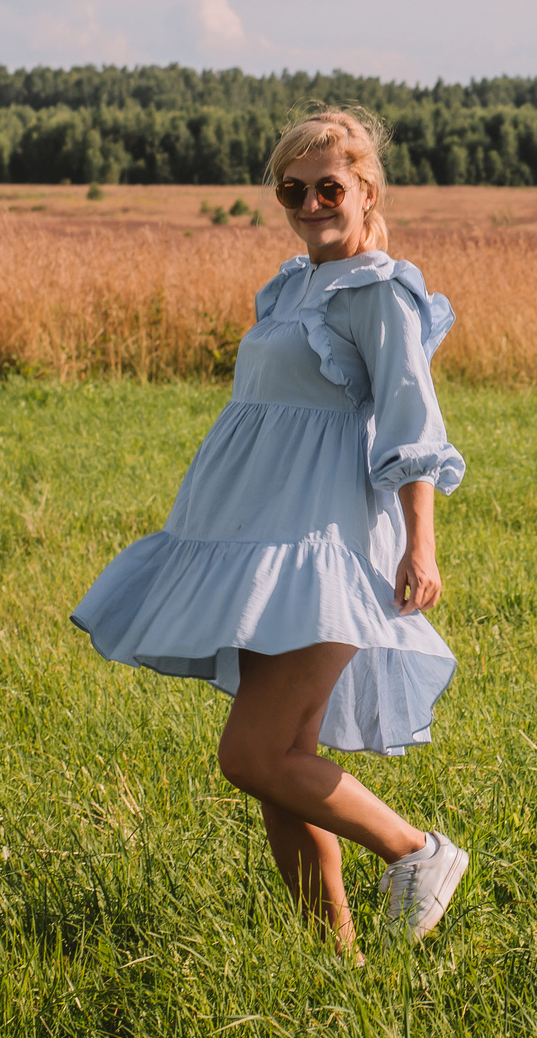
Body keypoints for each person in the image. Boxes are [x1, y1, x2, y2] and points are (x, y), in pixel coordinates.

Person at [71, 108, 469, 953]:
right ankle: (336, 961)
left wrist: (418, 545)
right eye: (293, 189)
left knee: (251, 754)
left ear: (366, 190)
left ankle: (417, 851)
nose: (312, 202)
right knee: (279, 770)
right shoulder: (293, 284)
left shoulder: (378, 290)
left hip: (318, 550)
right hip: (254, 545)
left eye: (330, 186)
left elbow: (413, 423)